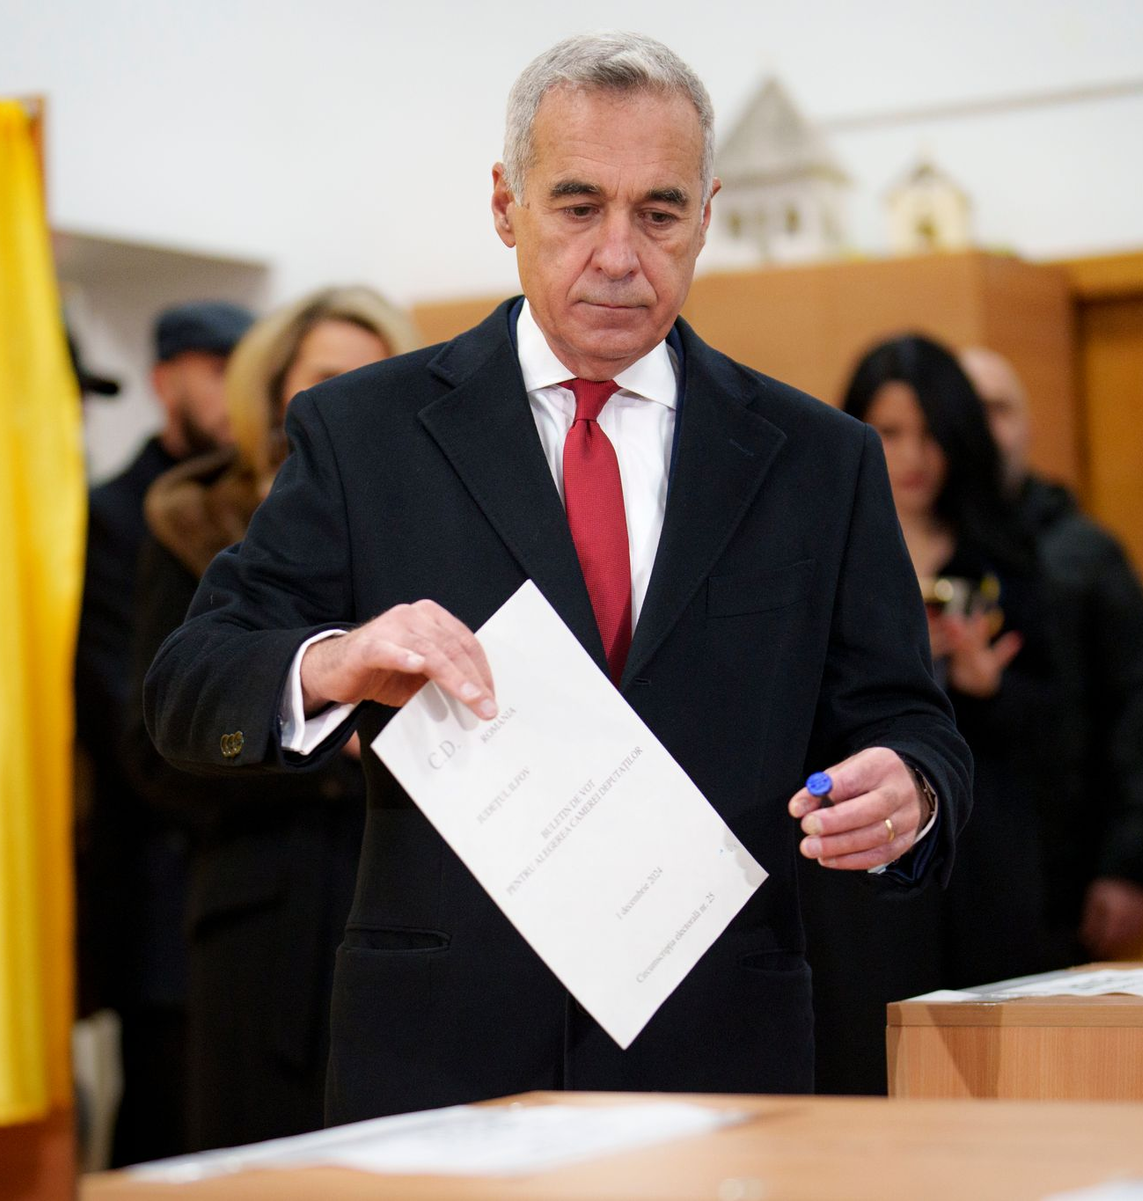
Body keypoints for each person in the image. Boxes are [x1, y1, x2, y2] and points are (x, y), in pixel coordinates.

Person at [145, 33, 971, 1124]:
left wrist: (910, 793)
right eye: (578, 207)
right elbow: (187, 685)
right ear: (506, 204)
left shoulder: (820, 460)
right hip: (441, 1063)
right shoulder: (366, 435)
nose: (620, 254)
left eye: (660, 212)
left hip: (718, 1050)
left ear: (708, 213)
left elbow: (916, 728)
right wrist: (337, 660)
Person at [125, 287, 418, 1150]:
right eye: (326, 377)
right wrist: (329, 743)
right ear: (276, 389)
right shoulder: (192, 524)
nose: (348, 399)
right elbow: (152, 744)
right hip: (263, 915)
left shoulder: (426, 529)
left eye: (373, 378)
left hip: (404, 904)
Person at [801, 334, 1065, 1093]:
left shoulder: (1004, 558)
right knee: (873, 1055)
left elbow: (1061, 726)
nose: (912, 454)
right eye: (888, 430)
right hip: (865, 869)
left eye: (930, 432)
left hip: (989, 854)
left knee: (999, 1072)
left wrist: (988, 686)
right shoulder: (828, 550)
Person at [75, 300, 253, 1166]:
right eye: (212, 367)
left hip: (258, 872)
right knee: (163, 1130)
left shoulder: (270, 500)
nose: (232, 387)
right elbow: (133, 718)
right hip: (162, 885)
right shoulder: (116, 514)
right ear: (164, 380)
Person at [961, 347, 1143, 958]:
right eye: (969, 412)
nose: (984, 427)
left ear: (1029, 426)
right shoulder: (912, 547)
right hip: (960, 873)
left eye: (999, 409)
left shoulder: (1086, 555)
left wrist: (1130, 864)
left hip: (1068, 876)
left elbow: (1138, 713)